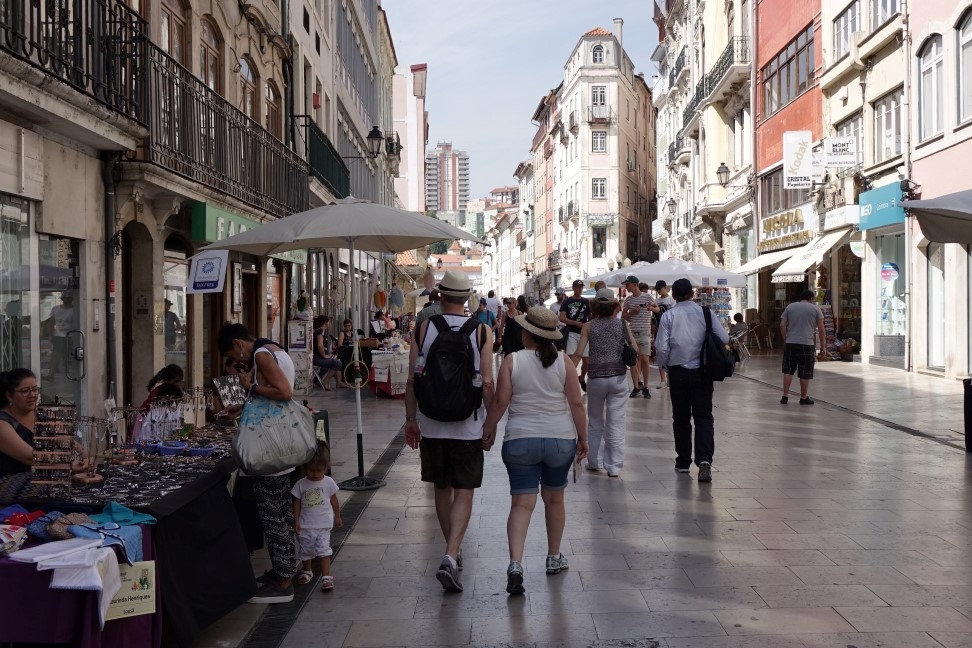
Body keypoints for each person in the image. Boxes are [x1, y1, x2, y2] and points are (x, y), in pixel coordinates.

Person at [483, 306, 588, 595]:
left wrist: (488, 429)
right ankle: (553, 557)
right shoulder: (564, 362)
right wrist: (584, 438)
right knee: (555, 500)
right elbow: (577, 404)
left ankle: (515, 564)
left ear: (527, 334)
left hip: (520, 440)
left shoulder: (511, 361)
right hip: (559, 440)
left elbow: (501, 403)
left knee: (521, 505)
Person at [404, 271, 494, 593]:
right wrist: (492, 420)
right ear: (468, 298)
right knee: (464, 489)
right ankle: (451, 554)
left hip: (431, 422)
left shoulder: (424, 328)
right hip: (467, 425)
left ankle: (451, 552)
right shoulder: (482, 331)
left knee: (441, 489)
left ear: (440, 296)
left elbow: (413, 379)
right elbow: (486, 382)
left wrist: (410, 419)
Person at [218, 323, 299, 604]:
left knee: (271, 512)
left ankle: (284, 583)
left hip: (270, 447)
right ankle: (285, 569)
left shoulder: (262, 355)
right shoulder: (273, 349)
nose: (237, 360)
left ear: (239, 343)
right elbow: (271, 395)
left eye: (233, 352)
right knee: (280, 511)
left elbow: (284, 392)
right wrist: (242, 406)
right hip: (278, 441)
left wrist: (249, 386)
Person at [654, 278, 729, 483]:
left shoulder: (668, 316)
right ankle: (704, 460)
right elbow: (724, 338)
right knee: (704, 417)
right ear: (691, 293)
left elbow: (661, 347)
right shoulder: (706, 313)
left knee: (681, 418)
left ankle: (683, 461)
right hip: (703, 372)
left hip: (678, 372)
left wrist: (665, 366)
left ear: (674, 295)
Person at [571, 289, 636, 477]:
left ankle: (593, 461)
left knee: (595, 421)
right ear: (614, 306)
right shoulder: (622, 324)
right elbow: (636, 348)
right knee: (616, 422)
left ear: (595, 307)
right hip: (618, 378)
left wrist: (567, 375)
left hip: (596, 379)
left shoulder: (589, 326)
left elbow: (578, 353)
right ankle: (614, 467)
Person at [0, 369, 89, 478]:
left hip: (50, 479)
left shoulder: (44, 416)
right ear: (9, 395)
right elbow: (31, 457)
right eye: (24, 391)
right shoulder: (3, 423)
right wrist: (68, 464)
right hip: (12, 484)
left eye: (35, 389)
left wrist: (85, 460)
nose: (32, 395)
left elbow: (73, 446)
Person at [291, 444, 342, 592]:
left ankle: (326, 577)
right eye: (311, 470)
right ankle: (307, 570)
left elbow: (334, 500)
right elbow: (297, 503)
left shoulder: (328, 482)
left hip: (324, 525)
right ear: (305, 468)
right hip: (306, 524)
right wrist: (296, 521)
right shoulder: (301, 484)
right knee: (306, 550)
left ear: (325, 468)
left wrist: (337, 516)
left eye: (319, 470)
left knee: (324, 550)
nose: (315, 474)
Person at [780, 289, 826, 405]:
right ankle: (803, 397)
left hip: (791, 343)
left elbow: (782, 325)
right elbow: (821, 330)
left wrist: (786, 339)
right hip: (807, 344)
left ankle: (785, 395)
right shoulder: (816, 309)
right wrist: (823, 347)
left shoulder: (790, 307)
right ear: (811, 298)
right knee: (805, 372)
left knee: (788, 370)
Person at [621, 276, 658, 399]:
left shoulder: (647, 297)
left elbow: (657, 309)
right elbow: (623, 317)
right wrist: (631, 312)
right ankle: (636, 386)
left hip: (644, 332)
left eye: (627, 285)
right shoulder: (628, 300)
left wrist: (650, 308)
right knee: (634, 362)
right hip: (632, 333)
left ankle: (646, 387)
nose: (626, 287)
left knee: (645, 360)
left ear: (634, 285)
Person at [560, 279, 591, 391]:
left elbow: (590, 316)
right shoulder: (566, 302)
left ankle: (582, 378)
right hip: (572, 331)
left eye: (581, 287)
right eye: (577, 287)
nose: (580, 289)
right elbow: (562, 318)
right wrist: (576, 323)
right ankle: (568, 382)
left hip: (584, 333)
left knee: (587, 361)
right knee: (571, 359)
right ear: (573, 288)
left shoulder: (586, 302)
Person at [654, 281, 677, 389]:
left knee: (670, 354)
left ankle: (669, 378)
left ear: (665, 288)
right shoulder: (656, 301)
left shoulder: (672, 301)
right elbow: (654, 316)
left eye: (660, 289)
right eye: (657, 289)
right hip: (659, 329)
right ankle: (663, 379)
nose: (658, 291)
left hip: (670, 330)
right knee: (660, 353)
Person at [48, 293, 75, 373]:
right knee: (56, 354)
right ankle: (51, 373)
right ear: (62, 299)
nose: (67, 299)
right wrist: (50, 335)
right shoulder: (55, 309)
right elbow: (51, 323)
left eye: (69, 298)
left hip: (71, 336)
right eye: (65, 298)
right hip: (58, 335)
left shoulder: (74, 310)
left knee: (69, 355)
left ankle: (68, 371)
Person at [312, 315, 341, 390]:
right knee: (337, 363)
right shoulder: (320, 331)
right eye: (329, 322)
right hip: (317, 357)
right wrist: (324, 355)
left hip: (318, 357)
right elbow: (319, 345)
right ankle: (326, 381)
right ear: (326, 323)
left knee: (334, 362)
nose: (330, 324)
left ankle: (338, 382)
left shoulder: (320, 331)